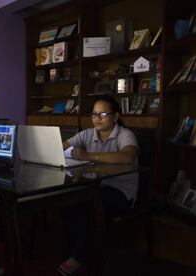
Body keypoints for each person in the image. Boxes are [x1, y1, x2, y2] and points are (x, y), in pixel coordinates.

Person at [57, 95, 139, 275]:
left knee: (86, 204)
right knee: (65, 201)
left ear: (115, 116)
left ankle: (79, 255)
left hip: (120, 191)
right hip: (94, 187)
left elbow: (128, 156)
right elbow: (63, 146)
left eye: (102, 114)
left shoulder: (125, 134)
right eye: (94, 114)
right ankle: (83, 245)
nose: (97, 118)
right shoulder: (88, 133)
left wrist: (89, 156)